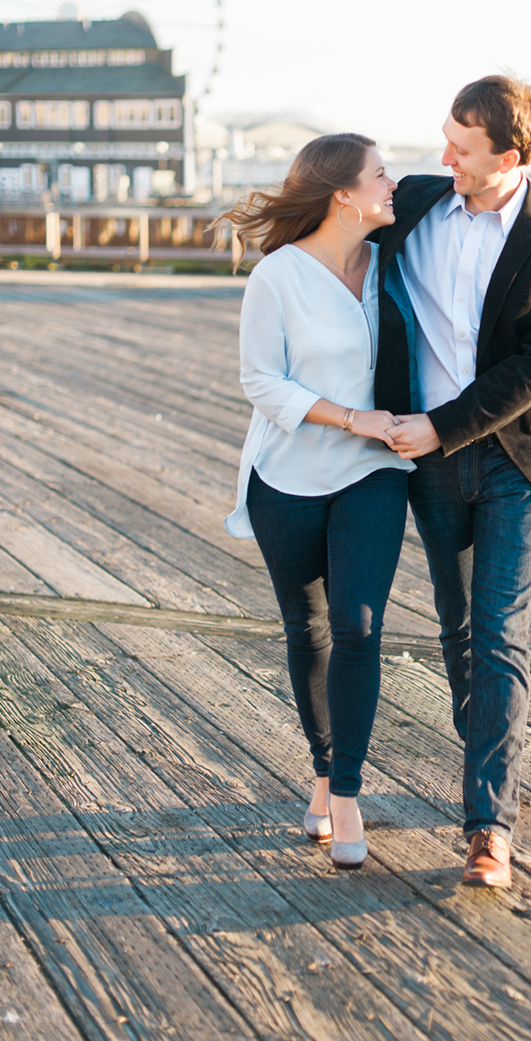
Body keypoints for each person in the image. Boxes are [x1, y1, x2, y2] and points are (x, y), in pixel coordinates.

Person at [377, 76, 531, 888]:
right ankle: (492, 754)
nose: (444, 158)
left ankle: (487, 827)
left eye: (461, 150)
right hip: (429, 469)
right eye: (445, 140)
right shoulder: (418, 202)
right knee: (460, 633)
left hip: (512, 461)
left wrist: (445, 425)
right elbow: (332, 220)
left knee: (502, 634)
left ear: (510, 157)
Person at [221, 133, 415, 870]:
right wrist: (350, 414)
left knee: (358, 625)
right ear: (342, 192)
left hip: (373, 472)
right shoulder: (277, 276)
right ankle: (324, 770)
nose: (394, 183)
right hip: (288, 477)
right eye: (381, 172)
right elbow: (260, 381)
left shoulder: (393, 265)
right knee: (309, 632)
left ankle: (346, 791)